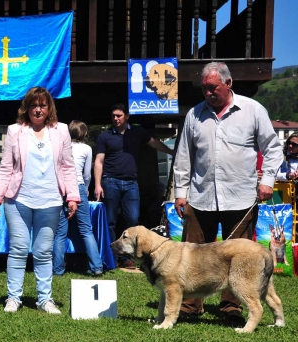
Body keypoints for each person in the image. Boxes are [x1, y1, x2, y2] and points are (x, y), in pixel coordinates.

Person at [173, 61, 283, 324]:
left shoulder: (253, 110)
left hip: (241, 198)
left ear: (228, 83)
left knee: (238, 260)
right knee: (194, 254)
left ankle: (231, 306)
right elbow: (184, 155)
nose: (208, 93)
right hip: (200, 198)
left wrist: (267, 180)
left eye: (213, 88)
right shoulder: (194, 115)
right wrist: (180, 192)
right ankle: (190, 305)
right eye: (204, 89)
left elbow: (273, 148)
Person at [0, 86, 80, 314]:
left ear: (49, 108)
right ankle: (13, 298)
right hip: (17, 200)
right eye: (33, 105)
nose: (38, 110)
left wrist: (72, 196)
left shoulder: (61, 131)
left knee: (43, 252)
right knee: (18, 248)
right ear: (26, 108)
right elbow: (6, 167)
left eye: (42, 105)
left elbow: (68, 167)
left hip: (50, 200)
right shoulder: (14, 131)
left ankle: (44, 299)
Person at [94, 103, 174, 269]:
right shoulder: (105, 136)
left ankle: (128, 256)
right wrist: (97, 184)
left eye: (119, 116)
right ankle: (111, 258)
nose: (116, 119)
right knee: (110, 221)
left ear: (127, 116)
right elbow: (99, 162)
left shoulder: (137, 132)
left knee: (132, 219)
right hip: (110, 181)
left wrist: (172, 152)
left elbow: (154, 142)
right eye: (113, 116)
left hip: (131, 183)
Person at [53, 120, 103, 277]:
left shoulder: (60, 146)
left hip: (61, 188)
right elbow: (87, 173)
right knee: (86, 230)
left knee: (60, 233)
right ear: (84, 133)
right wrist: (86, 188)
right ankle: (96, 266)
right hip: (79, 186)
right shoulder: (87, 149)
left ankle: (58, 269)